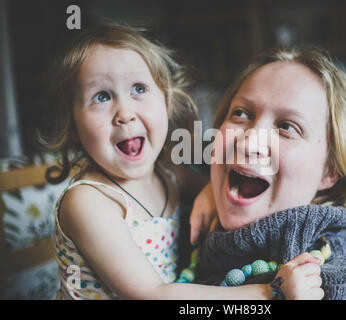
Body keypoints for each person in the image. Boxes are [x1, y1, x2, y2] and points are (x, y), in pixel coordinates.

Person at [44, 23, 312, 300]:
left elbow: (220, 184)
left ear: (167, 102)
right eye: (101, 96)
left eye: (138, 89)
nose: (124, 113)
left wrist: (210, 192)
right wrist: (270, 292)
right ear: (73, 127)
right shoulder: (87, 202)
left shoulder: (169, 173)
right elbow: (151, 293)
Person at [190, 46, 346, 299]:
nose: (248, 142)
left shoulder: (338, 278)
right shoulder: (197, 225)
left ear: (330, 171)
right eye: (241, 114)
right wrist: (211, 186)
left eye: (287, 126)